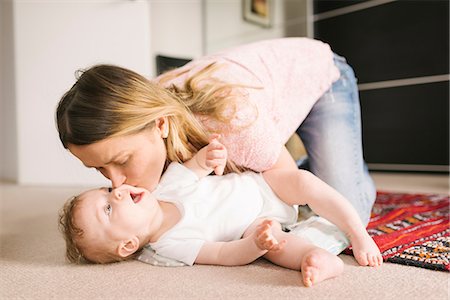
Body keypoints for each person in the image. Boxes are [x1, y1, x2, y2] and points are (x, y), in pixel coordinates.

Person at [56, 37, 376, 227]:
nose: (115, 183)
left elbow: (288, 189)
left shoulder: (231, 120)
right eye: (99, 168)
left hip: (318, 73)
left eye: (122, 160)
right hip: (255, 99)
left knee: (347, 212)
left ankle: (343, 165)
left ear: (161, 125)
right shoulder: (143, 115)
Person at [59, 135, 382, 287]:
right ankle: (321, 261)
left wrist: (209, 156)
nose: (116, 191)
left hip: (266, 185)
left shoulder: (166, 187)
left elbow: (197, 166)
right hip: (255, 223)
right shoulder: (171, 245)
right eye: (107, 208)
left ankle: (357, 232)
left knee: (304, 180)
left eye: (106, 191)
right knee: (280, 250)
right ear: (129, 243)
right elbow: (225, 254)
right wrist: (256, 242)